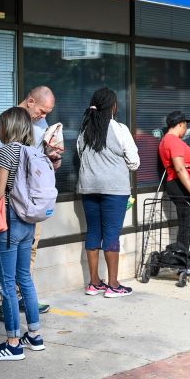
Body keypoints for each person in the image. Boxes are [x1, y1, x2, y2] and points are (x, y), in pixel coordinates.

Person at [0, 107, 44, 360]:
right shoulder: (33, 151)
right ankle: (35, 336)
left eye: (0, 125)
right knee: (24, 278)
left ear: (10, 127)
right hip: (29, 221)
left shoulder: (8, 151)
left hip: (9, 221)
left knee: (7, 283)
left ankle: (13, 342)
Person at [0, 86, 58, 319]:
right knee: (17, 273)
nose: (43, 116)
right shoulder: (8, 121)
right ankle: (27, 323)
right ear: (30, 101)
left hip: (26, 206)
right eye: (42, 110)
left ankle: (13, 334)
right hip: (19, 205)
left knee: (19, 268)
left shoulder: (40, 129)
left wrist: (53, 157)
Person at [77, 88, 140, 297]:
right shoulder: (120, 129)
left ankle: (94, 283)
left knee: (93, 231)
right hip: (114, 189)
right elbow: (134, 162)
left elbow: (80, 154)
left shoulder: (84, 130)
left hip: (88, 188)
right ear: (113, 107)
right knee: (112, 234)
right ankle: (113, 285)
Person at [159, 111, 190, 267]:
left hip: (178, 184)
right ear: (180, 125)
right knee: (187, 224)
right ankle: (182, 262)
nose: (186, 129)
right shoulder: (174, 141)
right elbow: (179, 169)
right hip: (181, 185)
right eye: (185, 126)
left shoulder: (167, 140)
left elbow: (182, 163)